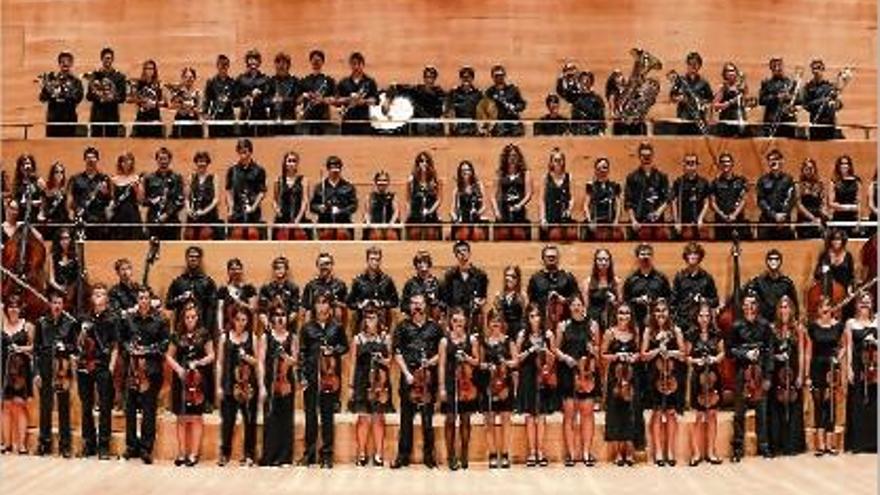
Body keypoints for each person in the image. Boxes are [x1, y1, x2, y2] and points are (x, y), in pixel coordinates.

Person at [391, 293, 443, 469]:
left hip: (428, 377)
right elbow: (397, 352)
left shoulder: (435, 328)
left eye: (419, 303)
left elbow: (441, 351)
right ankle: (402, 456)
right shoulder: (402, 327)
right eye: (413, 303)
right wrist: (407, 373)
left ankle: (429, 456)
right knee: (406, 419)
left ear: (425, 305)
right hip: (409, 376)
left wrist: (430, 362)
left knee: (427, 419)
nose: (416, 306)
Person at [120, 286, 170, 465]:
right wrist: (130, 348)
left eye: (146, 298)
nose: (143, 301)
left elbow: (164, 345)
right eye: (140, 298)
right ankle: (131, 446)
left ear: (151, 300)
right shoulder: (129, 320)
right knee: (130, 410)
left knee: (149, 411)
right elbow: (123, 340)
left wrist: (145, 351)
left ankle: (146, 449)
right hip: (132, 370)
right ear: (137, 300)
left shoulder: (160, 320)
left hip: (151, 371)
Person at [299, 292, 348, 469]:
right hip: (312, 377)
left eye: (324, 303)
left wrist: (333, 350)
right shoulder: (307, 328)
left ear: (329, 306)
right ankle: (309, 454)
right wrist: (302, 377)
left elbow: (345, 347)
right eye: (318, 303)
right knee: (310, 417)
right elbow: (302, 354)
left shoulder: (337, 327)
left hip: (329, 377)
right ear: (314, 307)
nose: (321, 306)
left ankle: (327, 455)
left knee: (327, 417)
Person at [165, 301, 214, 467]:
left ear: (198, 317)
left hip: (198, 380)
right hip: (181, 379)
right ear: (183, 318)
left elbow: (212, 355)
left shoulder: (204, 334)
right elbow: (169, 356)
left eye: (193, 317)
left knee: (196, 418)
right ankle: (181, 453)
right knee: (181, 417)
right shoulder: (176, 335)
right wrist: (178, 369)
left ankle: (193, 454)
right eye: (187, 317)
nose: (190, 320)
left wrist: (198, 363)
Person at [554, 295, 600, 466]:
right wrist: (566, 358)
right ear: (569, 307)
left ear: (583, 306)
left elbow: (598, 350)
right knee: (569, 415)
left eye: (579, 304)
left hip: (586, 373)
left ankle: (587, 453)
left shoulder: (592, 325)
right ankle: (572, 454)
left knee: (587, 414)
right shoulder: (563, 325)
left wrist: (593, 350)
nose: (576, 307)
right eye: (573, 304)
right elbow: (556, 349)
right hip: (568, 372)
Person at [76, 284, 121, 459]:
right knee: (86, 406)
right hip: (85, 365)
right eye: (96, 294)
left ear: (107, 299)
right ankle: (89, 443)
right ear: (91, 298)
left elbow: (116, 346)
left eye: (102, 294)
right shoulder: (84, 318)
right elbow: (79, 344)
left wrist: (110, 368)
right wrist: (82, 331)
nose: (98, 296)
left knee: (104, 407)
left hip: (103, 366)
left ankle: (103, 445)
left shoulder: (113, 319)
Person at [641, 299, 686, 467]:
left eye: (664, 310)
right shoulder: (648, 331)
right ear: (653, 313)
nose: (661, 313)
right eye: (657, 310)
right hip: (655, 376)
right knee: (658, 413)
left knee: (672, 413)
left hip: (673, 376)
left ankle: (671, 451)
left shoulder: (676, 330)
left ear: (668, 312)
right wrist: (657, 350)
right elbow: (643, 355)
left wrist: (670, 352)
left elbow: (683, 354)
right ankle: (659, 451)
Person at [215, 305, 262, 467]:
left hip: (248, 386)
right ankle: (224, 453)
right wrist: (218, 386)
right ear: (232, 320)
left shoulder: (253, 338)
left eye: (244, 320)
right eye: (237, 320)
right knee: (227, 422)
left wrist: (247, 357)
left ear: (248, 320)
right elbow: (220, 363)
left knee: (250, 421)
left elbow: (257, 362)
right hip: (229, 384)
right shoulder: (224, 338)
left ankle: (249, 455)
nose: (240, 323)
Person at [347, 304, 393, 467]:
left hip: (380, 383)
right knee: (363, 419)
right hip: (362, 382)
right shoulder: (357, 339)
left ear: (378, 319)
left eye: (373, 317)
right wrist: (350, 386)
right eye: (367, 317)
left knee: (379, 419)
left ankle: (379, 454)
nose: (370, 321)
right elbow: (352, 363)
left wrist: (382, 360)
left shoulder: (385, 338)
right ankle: (361, 453)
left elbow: (390, 362)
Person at [728, 294, 773, 461]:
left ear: (757, 306)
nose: (750, 308)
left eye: (753, 304)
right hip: (742, 374)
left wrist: (768, 376)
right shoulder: (736, 326)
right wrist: (745, 353)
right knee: (739, 412)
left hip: (760, 373)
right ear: (742, 307)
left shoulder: (765, 325)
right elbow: (729, 350)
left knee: (762, 411)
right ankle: (738, 448)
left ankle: (764, 446)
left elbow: (769, 351)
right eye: (746, 305)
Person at [33, 291, 77, 457]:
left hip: (62, 369)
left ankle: (65, 445)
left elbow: (75, 347)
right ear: (50, 304)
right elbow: (36, 350)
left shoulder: (70, 323)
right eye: (54, 303)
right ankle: (44, 443)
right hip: (45, 368)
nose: (57, 306)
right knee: (45, 407)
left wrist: (65, 347)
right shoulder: (41, 323)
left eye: (59, 303)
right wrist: (36, 372)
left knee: (64, 407)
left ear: (63, 305)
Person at [515, 303, 557, 467]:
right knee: (530, 416)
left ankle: (541, 451)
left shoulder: (548, 334)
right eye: (531, 316)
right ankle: (532, 452)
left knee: (541, 416)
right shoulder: (522, 335)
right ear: (527, 318)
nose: (534, 319)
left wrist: (545, 350)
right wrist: (531, 350)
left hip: (543, 376)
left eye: (537, 315)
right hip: (527, 376)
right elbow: (516, 359)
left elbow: (554, 359)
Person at [438, 308, 480, 470]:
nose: (458, 324)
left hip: (466, 384)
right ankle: (451, 456)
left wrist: (467, 358)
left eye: (461, 321)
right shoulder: (444, 341)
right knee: (450, 419)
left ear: (465, 322)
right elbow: (441, 365)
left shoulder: (472, 340)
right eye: (455, 321)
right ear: (451, 322)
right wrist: (442, 388)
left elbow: (477, 361)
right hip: (449, 382)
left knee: (465, 420)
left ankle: (464, 453)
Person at [805, 297, 846, 456]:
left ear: (832, 308)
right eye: (822, 306)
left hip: (831, 369)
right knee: (818, 404)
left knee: (831, 405)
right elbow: (808, 351)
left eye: (828, 305)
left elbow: (843, 346)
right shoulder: (813, 327)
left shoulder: (838, 326)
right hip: (817, 368)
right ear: (818, 309)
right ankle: (820, 444)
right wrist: (807, 374)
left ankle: (830, 444)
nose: (825, 309)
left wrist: (839, 357)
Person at [767, 296, 807, 457]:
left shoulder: (798, 328)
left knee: (794, 408)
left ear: (792, 310)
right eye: (781, 307)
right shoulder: (772, 329)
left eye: (787, 307)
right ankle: (777, 444)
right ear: (778, 310)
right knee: (776, 408)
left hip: (793, 372)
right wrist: (776, 357)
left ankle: (793, 444)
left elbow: (803, 353)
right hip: (778, 374)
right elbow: (769, 352)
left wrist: (801, 375)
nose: (784, 310)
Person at [602, 303, 641, 467]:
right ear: (616, 315)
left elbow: (640, 352)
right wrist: (616, 355)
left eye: (626, 313)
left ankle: (630, 451)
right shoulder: (610, 333)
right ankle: (618, 452)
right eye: (620, 313)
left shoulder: (635, 332)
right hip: (616, 378)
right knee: (617, 412)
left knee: (631, 412)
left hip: (632, 377)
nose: (623, 316)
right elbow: (602, 355)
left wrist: (633, 357)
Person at [259, 305, 298, 467]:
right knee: (271, 418)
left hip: (287, 382)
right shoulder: (265, 337)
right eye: (276, 315)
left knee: (286, 419)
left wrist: (287, 358)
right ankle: (269, 456)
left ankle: (284, 457)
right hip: (270, 382)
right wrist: (261, 385)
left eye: (283, 315)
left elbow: (295, 361)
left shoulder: (293, 337)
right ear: (271, 318)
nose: (280, 318)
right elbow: (261, 362)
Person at [687, 303, 725, 465]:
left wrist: (715, 359)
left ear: (711, 317)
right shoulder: (691, 334)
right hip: (698, 377)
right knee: (699, 415)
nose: (704, 319)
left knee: (712, 415)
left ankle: (710, 451)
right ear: (697, 317)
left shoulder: (717, 334)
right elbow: (686, 356)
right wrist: (697, 360)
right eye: (701, 316)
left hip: (713, 377)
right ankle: (696, 453)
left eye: (707, 316)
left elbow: (722, 353)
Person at [480, 308, 516, 469]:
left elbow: (515, 361)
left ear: (502, 323)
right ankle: (493, 454)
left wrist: (505, 363)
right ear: (488, 323)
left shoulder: (509, 341)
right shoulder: (483, 342)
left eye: (498, 320)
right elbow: (479, 363)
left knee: (506, 419)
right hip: (488, 384)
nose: (495, 323)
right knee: (489, 420)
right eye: (492, 320)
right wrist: (488, 366)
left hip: (505, 383)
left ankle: (506, 453)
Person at [844, 292, 878, 453]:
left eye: (868, 302)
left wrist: (875, 341)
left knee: (874, 402)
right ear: (857, 304)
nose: (865, 304)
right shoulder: (851, 323)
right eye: (862, 302)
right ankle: (857, 443)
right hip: (858, 366)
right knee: (857, 402)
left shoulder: (877, 321)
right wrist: (849, 367)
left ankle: (874, 442)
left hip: (874, 366)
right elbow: (849, 347)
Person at [1, 295, 35, 455]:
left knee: (20, 405)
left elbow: (35, 347)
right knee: (5, 406)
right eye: (10, 306)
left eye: (16, 306)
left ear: (20, 309)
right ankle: (6, 444)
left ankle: (21, 445)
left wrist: (19, 349)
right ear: (6, 309)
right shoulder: (1, 325)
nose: (13, 309)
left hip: (21, 371)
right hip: (4, 369)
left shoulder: (27, 326)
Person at [165, 246, 218, 338]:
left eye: (196, 257)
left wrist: (207, 330)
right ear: (186, 258)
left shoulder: (208, 282)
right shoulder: (178, 281)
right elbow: (168, 304)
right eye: (191, 256)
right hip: (181, 329)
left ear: (200, 260)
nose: (193, 259)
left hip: (202, 329)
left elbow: (212, 308)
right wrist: (181, 298)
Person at [625, 142, 670, 241]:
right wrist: (633, 221)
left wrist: (658, 212)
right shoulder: (632, 177)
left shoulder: (662, 176)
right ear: (639, 157)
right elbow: (628, 202)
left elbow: (667, 198)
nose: (646, 159)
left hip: (657, 221)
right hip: (639, 221)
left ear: (653, 156)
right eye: (643, 156)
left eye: (648, 156)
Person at [670, 242, 718, 332]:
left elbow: (715, 300)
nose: (692, 256)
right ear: (686, 257)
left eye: (695, 254)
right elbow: (673, 302)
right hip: (682, 321)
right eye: (690, 254)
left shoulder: (707, 278)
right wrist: (675, 321)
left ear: (700, 257)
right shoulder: (679, 277)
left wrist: (704, 300)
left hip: (701, 323)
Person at [440, 241, 489, 329]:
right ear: (455, 255)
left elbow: (483, 298)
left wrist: (480, 302)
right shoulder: (449, 276)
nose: (462, 253)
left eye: (464, 250)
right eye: (459, 252)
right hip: (455, 319)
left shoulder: (480, 275)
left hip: (473, 318)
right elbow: (447, 302)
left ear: (469, 253)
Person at [623, 243, 671, 331]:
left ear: (652, 257)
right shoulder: (631, 279)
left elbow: (669, 298)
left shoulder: (661, 278)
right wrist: (636, 300)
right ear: (637, 257)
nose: (646, 257)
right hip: (636, 321)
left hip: (657, 322)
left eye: (648, 254)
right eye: (642, 254)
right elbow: (625, 300)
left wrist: (661, 300)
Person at [346, 246, 400, 326]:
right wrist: (361, 304)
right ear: (367, 260)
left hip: (382, 319)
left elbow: (395, 302)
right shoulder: (358, 280)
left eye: (377, 260)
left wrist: (382, 303)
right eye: (372, 259)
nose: (374, 262)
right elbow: (350, 303)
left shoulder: (387, 280)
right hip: (363, 319)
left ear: (380, 261)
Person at [225, 138, 267, 240]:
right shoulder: (232, 170)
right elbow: (228, 190)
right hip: (237, 211)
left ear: (250, 152)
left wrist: (253, 207)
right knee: (235, 237)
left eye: (245, 151)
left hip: (253, 212)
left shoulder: (259, 170)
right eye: (240, 151)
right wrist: (231, 208)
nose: (242, 154)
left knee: (253, 236)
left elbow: (262, 192)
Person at [309, 155, 358, 241]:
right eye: (332, 167)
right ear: (328, 169)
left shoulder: (348, 187)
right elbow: (312, 206)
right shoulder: (320, 187)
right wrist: (319, 208)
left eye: (337, 167)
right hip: (325, 225)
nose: (335, 170)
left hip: (343, 224)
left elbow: (354, 206)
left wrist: (341, 211)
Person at [745, 249, 799, 322]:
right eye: (770, 259)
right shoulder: (758, 282)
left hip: (781, 323)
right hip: (763, 323)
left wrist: (795, 320)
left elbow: (794, 306)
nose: (773, 262)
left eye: (776, 259)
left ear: (780, 261)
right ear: (767, 261)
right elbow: (747, 295)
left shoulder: (787, 283)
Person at [68, 146, 111, 239]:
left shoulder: (104, 178)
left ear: (97, 160)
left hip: (99, 221)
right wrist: (76, 210)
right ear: (84, 160)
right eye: (88, 158)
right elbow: (71, 200)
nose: (90, 160)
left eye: (93, 158)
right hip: (81, 219)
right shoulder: (76, 178)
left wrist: (105, 193)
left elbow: (108, 201)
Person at [492, 143, 533, 241]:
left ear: (519, 157)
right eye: (509, 156)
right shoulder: (500, 173)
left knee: (519, 237)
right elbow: (493, 196)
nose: (512, 158)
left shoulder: (525, 173)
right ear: (505, 158)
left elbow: (529, 193)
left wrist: (520, 205)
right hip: (504, 211)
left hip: (519, 211)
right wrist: (496, 212)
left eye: (514, 155)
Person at [142, 147, 184, 241]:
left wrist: (167, 214)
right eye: (160, 159)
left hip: (171, 220)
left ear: (169, 160)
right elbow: (143, 200)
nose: (163, 161)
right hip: (153, 220)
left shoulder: (177, 177)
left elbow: (180, 201)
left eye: (165, 159)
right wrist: (151, 201)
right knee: (153, 250)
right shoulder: (149, 178)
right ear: (156, 160)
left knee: (172, 251)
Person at [39, 51, 84, 137]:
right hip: (53, 119)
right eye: (63, 61)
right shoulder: (51, 80)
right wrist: (46, 88)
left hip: (69, 119)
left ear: (71, 64)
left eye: (68, 61)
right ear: (59, 63)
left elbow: (78, 98)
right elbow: (42, 98)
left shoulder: (76, 81)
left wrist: (64, 92)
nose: (65, 64)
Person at [85, 47, 126, 137]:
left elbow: (122, 97)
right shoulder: (94, 75)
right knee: (96, 140)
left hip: (112, 114)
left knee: (112, 141)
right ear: (101, 59)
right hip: (97, 114)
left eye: (109, 58)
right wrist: (99, 97)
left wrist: (112, 98)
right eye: (105, 58)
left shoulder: (119, 77)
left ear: (113, 59)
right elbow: (88, 96)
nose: (107, 60)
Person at [668, 52, 713, 135]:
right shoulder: (680, 80)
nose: (693, 66)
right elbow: (672, 97)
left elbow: (710, 100)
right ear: (687, 64)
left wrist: (703, 104)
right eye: (690, 64)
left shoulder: (704, 83)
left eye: (695, 64)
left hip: (699, 119)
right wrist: (679, 98)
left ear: (700, 65)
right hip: (683, 117)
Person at [756, 149, 796, 240]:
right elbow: (761, 201)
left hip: (783, 222)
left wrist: (783, 215)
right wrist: (774, 215)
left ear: (782, 161)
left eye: (776, 159)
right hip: (767, 222)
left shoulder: (789, 179)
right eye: (770, 159)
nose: (773, 161)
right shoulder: (762, 180)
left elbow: (791, 199)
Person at [709, 152, 749, 241]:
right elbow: (712, 202)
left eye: (727, 161)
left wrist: (734, 215)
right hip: (720, 221)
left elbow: (743, 200)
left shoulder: (741, 180)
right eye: (722, 162)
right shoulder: (715, 183)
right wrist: (722, 215)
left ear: (732, 163)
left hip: (737, 220)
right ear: (719, 165)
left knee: (738, 247)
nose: (725, 164)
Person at [336, 52, 379, 135]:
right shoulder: (343, 82)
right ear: (350, 65)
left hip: (364, 122)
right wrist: (348, 99)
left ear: (363, 65)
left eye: (359, 64)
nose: (356, 67)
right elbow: (337, 100)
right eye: (353, 64)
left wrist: (364, 101)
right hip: (347, 122)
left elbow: (375, 100)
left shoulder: (370, 82)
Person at [527, 244, 579, 312]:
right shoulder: (535, 278)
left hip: (564, 317)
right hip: (542, 317)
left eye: (553, 256)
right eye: (548, 256)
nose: (551, 258)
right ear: (543, 258)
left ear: (558, 258)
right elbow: (532, 301)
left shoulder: (568, 277)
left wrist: (565, 300)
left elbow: (576, 297)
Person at [670, 154, 711, 240]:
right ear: (684, 165)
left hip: (698, 220)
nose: (690, 165)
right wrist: (677, 221)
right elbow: (673, 202)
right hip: (683, 222)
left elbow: (706, 202)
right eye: (688, 163)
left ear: (697, 165)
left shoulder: (704, 182)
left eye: (693, 163)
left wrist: (701, 218)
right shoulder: (679, 182)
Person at [184, 151, 223, 240]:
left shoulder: (214, 177)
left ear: (208, 163)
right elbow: (186, 198)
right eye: (199, 161)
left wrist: (204, 212)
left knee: (205, 236)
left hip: (209, 217)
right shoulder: (191, 178)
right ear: (196, 162)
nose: (201, 164)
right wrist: (189, 209)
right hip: (193, 217)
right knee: (189, 237)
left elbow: (216, 199)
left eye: (204, 161)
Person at [272, 151, 311, 241]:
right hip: (282, 218)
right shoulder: (278, 180)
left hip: (299, 218)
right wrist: (276, 209)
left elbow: (305, 200)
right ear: (285, 163)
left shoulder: (304, 180)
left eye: (294, 161)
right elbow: (274, 200)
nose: (291, 163)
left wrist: (298, 218)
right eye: (289, 161)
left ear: (297, 164)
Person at [540, 148, 577, 242]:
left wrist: (569, 210)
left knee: (571, 236)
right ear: (551, 162)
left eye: (560, 160)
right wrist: (543, 218)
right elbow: (541, 200)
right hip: (550, 215)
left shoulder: (569, 177)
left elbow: (572, 198)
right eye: (555, 160)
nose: (558, 162)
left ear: (564, 161)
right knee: (554, 237)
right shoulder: (546, 177)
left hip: (564, 215)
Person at [297, 49, 337, 136]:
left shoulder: (329, 80)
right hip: (307, 118)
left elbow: (334, 100)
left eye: (318, 60)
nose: (316, 62)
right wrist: (306, 95)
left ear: (323, 62)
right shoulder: (304, 80)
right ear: (310, 61)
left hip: (323, 119)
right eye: (314, 60)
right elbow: (297, 100)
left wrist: (322, 100)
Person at [301, 252, 348, 323]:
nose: (324, 267)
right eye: (321, 264)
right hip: (315, 326)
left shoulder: (340, 285)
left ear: (332, 265)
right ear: (317, 266)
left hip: (334, 326)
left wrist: (335, 303)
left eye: (327, 263)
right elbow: (306, 309)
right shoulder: (310, 286)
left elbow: (346, 306)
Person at [803, 59, 844, 140]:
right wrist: (822, 101)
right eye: (814, 68)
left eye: (818, 68)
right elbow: (806, 105)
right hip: (816, 124)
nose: (816, 71)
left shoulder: (830, 86)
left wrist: (836, 104)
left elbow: (839, 106)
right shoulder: (808, 87)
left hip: (830, 125)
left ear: (823, 69)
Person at [582, 248, 622, 331]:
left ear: (610, 262)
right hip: (593, 321)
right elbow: (585, 307)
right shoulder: (587, 282)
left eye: (606, 260)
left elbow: (621, 306)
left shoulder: (617, 281)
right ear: (595, 261)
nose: (603, 262)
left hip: (611, 320)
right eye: (600, 260)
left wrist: (614, 301)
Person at [405, 151, 442, 241]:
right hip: (415, 214)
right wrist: (409, 211)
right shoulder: (411, 180)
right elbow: (408, 199)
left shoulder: (436, 180)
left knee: (431, 235)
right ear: (417, 164)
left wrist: (430, 211)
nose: (424, 164)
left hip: (431, 214)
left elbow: (439, 199)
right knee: (414, 234)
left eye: (426, 161)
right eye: (421, 161)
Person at [108, 152, 145, 240]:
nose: (126, 163)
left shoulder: (137, 179)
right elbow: (112, 199)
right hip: (118, 214)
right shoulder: (114, 179)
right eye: (123, 161)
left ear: (132, 162)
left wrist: (136, 188)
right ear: (120, 163)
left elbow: (141, 200)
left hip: (133, 214)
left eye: (128, 160)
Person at [235, 49, 272, 137]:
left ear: (259, 62)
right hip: (245, 117)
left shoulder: (265, 79)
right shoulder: (240, 79)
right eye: (250, 59)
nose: (253, 62)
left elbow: (269, 100)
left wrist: (261, 96)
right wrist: (244, 100)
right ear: (247, 61)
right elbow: (235, 101)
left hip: (261, 116)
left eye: (255, 59)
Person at [758, 57, 799, 138]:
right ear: (771, 68)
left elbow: (799, 100)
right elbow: (761, 100)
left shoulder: (791, 82)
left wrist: (790, 98)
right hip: (771, 120)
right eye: (774, 66)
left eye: (779, 65)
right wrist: (777, 97)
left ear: (783, 66)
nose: (777, 68)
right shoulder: (766, 83)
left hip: (788, 121)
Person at [583, 157, 622, 241]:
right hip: (596, 221)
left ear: (608, 169)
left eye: (604, 167)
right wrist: (590, 222)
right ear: (596, 170)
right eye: (599, 168)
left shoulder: (614, 185)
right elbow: (586, 205)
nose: (602, 170)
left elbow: (618, 204)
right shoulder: (591, 186)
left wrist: (616, 220)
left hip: (610, 221)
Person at [216, 258, 258, 333]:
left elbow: (253, 310)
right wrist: (220, 328)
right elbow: (220, 310)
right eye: (232, 269)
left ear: (241, 270)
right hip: (228, 328)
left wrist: (254, 330)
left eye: (238, 269)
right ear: (228, 271)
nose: (235, 271)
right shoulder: (223, 289)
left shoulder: (249, 288)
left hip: (246, 328)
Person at [712, 62, 753, 138]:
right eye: (728, 71)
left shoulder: (741, 88)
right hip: (727, 121)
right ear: (725, 74)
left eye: (733, 70)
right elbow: (715, 106)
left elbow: (746, 103)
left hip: (740, 119)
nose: (731, 73)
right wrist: (728, 103)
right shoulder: (723, 88)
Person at [257, 256, 301, 328]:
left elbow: (295, 311)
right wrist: (267, 324)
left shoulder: (293, 288)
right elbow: (262, 311)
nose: (279, 270)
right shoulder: (266, 288)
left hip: (288, 327)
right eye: (276, 268)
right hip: (271, 327)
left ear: (286, 270)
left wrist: (283, 324)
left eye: (282, 268)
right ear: (273, 270)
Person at [450, 160, 488, 242]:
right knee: (464, 234)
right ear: (459, 173)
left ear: (471, 171)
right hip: (463, 220)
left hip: (476, 219)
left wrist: (478, 213)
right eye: (463, 170)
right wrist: (455, 217)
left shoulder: (479, 186)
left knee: (477, 235)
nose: (465, 172)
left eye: (467, 170)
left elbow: (484, 206)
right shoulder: (457, 190)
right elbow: (452, 210)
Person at [400, 251, 443, 319]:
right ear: (416, 266)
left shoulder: (437, 283)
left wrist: (434, 302)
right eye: (419, 262)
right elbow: (403, 305)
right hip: (414, 319)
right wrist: (415, 305)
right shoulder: (410, 284)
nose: (422, 265)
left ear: (429, 264)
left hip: (432, 320)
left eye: (425, 262)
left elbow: (444, 303)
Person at [485, 65, 526, 137]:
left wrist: (515, 107)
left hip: (513, 121)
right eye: (496, 75)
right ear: (492, 77)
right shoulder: (489, 92)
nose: (499, 78)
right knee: (500, 132)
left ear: (504, 76)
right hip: (498, 122)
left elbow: (522, 104)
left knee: (518, 132)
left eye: (501, 75)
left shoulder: (513, 89)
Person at [812, 229, 856, 296]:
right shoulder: (825, 255)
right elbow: (817, 275)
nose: (836, 242)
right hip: (828, 290)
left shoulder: (848, 256)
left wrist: (850, 288)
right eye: (833, 239)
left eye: (838, 239)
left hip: (844, 290)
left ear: (843, 241)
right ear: (830, 241)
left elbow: (851, 275)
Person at [203, 54, 237, 138]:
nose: (223, 67)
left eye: (225, 65)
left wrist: (229, 100)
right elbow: (207, 99)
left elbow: (236, 100)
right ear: (217, 65)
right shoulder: (211, 82)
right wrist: (206, 113)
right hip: (215, 117)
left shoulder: (232, 82)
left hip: (228, 117)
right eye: (221, 64)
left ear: (228, 66)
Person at [128, 59, 165, 138]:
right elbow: (129, 99)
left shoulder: (158, 84)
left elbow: (163, 102)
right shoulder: (138, 84)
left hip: (154, 117)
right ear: (144, 70)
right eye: (147, 68)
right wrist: (142, 101)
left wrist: (154, 103)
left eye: (151, 69)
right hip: (142, 117)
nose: (149, 71)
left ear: (154, 71)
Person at [828, 155, 862, 238]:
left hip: (852, 217)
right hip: (839, 217)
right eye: (842, 164)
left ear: (850, 165)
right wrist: (846, 207)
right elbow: (830, 203)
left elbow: (859, 202)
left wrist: (859, 221)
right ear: (838, 166)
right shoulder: (834, 181)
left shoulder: (857, 180)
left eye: (846, 163)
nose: (844, 166)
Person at [407, 65, 446, 137]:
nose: (429, 80)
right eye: (427, 77)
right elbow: (396, 87)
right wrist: (388, 100)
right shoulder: (416, 90)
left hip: (434, 123)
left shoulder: (439, 92)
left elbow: (442, 110)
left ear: (435, 79)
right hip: (420, 124)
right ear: (424, 78)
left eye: (432, 77)